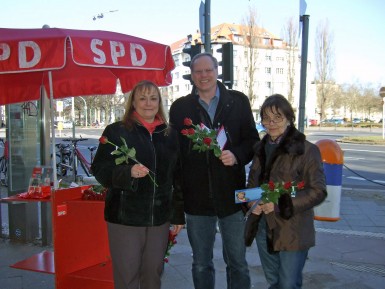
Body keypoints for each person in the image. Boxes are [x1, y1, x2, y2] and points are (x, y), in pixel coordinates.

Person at [169, 52, 259, 289]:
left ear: (217, 71)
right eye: (198, 71)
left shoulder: (238, 101)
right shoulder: (180, 108)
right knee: (201, 263)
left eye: (208, 70)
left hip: (233, 196)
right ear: (191, 75)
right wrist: (178, 202)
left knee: (237, 262)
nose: (204, 76)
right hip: (196, 198)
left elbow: (252, 141)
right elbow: (175, 156)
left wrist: (237, 155)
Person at [91, 80, 185, 289]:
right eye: (142, 98)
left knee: (153, 273)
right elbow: (99, 169)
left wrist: (178, 215)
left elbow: (177, 178)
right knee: (127, 275)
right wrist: (127, 173)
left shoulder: (170, 135)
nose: (148, 103)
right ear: (133, 102)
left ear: (159, 102)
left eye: (153, 98)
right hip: (125, 218)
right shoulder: (116, 131)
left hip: (159, 218)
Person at [246, 94, 327, 289]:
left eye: (277, 118)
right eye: (266, 118)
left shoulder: (306, 150)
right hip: (264, 226)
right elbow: (252, 185)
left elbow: (318, 191)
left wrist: (280, 205)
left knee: (288, 284)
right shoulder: (260, 148)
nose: (271, 123)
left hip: (292, 228)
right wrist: (251, 202)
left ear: (289, 118)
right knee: (274, 281)